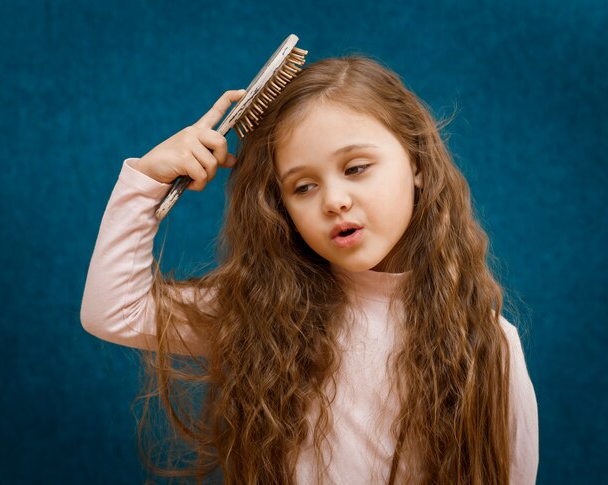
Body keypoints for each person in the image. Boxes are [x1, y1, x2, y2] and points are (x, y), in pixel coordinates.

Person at [81, 56, 539, 484]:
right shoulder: (263, 314)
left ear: (417, 162)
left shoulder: (489, 344)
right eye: (303, 186)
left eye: (356, 168)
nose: (334, 200)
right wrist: (148, 181)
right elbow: (114, 310)